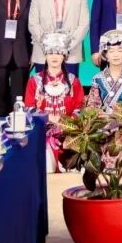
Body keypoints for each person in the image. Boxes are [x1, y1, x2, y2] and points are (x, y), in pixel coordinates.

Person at [24, 30, 85, 172]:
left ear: (65, 56)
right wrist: (48, 118)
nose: (54, 57)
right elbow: (28, 109)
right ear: (45, 55)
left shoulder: (73, 81)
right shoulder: (35, 81)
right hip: (42, 133)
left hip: (68, 134)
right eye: (50, 52)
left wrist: (65, 123)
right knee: (46, 166)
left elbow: (80, 109)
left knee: (73, 166)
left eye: (58, 53)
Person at [28, 0, 89, 76]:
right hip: (43, 53)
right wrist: (48, 46)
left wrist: (66, 47)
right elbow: (33, 24)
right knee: (42, 86)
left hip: (71, 54)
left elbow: (84, 25)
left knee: (69, 86)